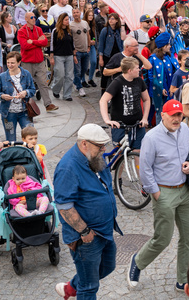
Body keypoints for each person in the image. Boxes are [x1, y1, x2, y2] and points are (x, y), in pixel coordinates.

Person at [130, 100, 189, 291]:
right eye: (173, 115)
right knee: (163, 238)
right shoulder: (151, 138)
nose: (177, 119)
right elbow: (145, 170)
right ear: (163, 115)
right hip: (164, 191)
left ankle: (183, 280)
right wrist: (157, 194)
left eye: (179, 115)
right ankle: (138, 261)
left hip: (185, 189)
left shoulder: (184, 129)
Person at [54, 123, 121, 300]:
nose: (104, 149)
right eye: (100, 145)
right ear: (84, 144)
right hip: (86, 237)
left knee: (108, 266)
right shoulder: (68, 167)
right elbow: (64, 207)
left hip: (104, 230)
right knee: (89, 287)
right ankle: (78, 287)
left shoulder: (94, 157)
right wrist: (84, 231)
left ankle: (71, 287)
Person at [100, 56, 150, 156]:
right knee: (119, 154)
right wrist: (107, 120)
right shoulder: (117, 82)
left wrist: (145, 118)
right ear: (129, 70)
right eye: (137, 68)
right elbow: (103, 100)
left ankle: (137, 172)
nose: (139, 70)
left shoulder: (139, 81)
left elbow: (146, 99)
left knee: (138, 152)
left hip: (137, 125)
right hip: (120, 126)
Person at [18, 11, 57, 112]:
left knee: (43, 83)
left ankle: (48, 104)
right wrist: (38, 42)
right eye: (31, 17)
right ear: (26, 19)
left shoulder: (38, 29)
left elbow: (44, 42)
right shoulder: (21, 31)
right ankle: (26, 106)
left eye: (34, 17)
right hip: (27, 62)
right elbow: (24, 46)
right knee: (26, 85)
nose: (34, 19)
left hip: (39, 61)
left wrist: (33, 41)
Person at [0, 51, 36, 141]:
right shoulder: (2, 77)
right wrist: (2, 96)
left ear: (19, 62)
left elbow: (33, 90)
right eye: (8, 62)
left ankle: (30, 154)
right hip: (8, 114)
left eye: (12, 63)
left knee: (30, 135)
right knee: (10, 138)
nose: (10, 65)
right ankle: (13, 154)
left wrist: (25, 92)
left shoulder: (26, 74)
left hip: (25, 112)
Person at [148, 33, 178, 124]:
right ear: (163, 46)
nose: (170, 46)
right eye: (168, 45)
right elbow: (151, 76)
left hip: (170, 89)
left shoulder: (169, 56)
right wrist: (161, 88)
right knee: (160, 113)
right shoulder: (153, 58)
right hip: (158, 90)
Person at [51, 13, 75, 101]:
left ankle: (67, 94)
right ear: (61, 21)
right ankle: (56, 89)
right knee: (60, 75)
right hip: (59, 56)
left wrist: (74, 55)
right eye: (65, 20)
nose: (67, 21)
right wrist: (52, 56)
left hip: (69, 55)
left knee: (69, 76)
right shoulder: (55, 31)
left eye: (68, 19)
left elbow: (72, 44)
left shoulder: (70, 31)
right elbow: (52, 45)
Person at [98, 13, 124, 92]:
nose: (110, 20)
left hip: (118, 54)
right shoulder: (105, 30)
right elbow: (101, 45)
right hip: (107, 55)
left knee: (118, 73)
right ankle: (104, 89)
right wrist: (100, 58)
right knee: (105, 73)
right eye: (109, 19)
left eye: (112, 19)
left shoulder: (119, 30)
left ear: (116, 20)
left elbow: (123, 39)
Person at [70, 8, 92, 97]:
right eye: (74, 13)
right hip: (77, 51)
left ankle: (76, 81)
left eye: (77, 12)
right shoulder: (71, 25)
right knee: (77, 71)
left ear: (80, 13)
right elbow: (70, 39)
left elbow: (88, 35)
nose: (76, 14)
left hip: (85, 50)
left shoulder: (85, 23)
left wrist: (89, 46)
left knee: (85, 69)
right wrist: (73, 51)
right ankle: (80, 87)